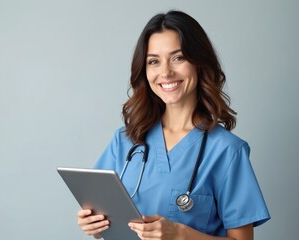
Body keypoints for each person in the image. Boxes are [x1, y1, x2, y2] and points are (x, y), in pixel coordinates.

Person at [76, 10, 270, 239]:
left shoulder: (227, 151)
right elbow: (105, 222)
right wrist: (94, 225)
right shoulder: (125, 140)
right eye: (154, 61)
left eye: (178, 58)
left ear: (199, 63)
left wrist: (179, 233)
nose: (165, 72)